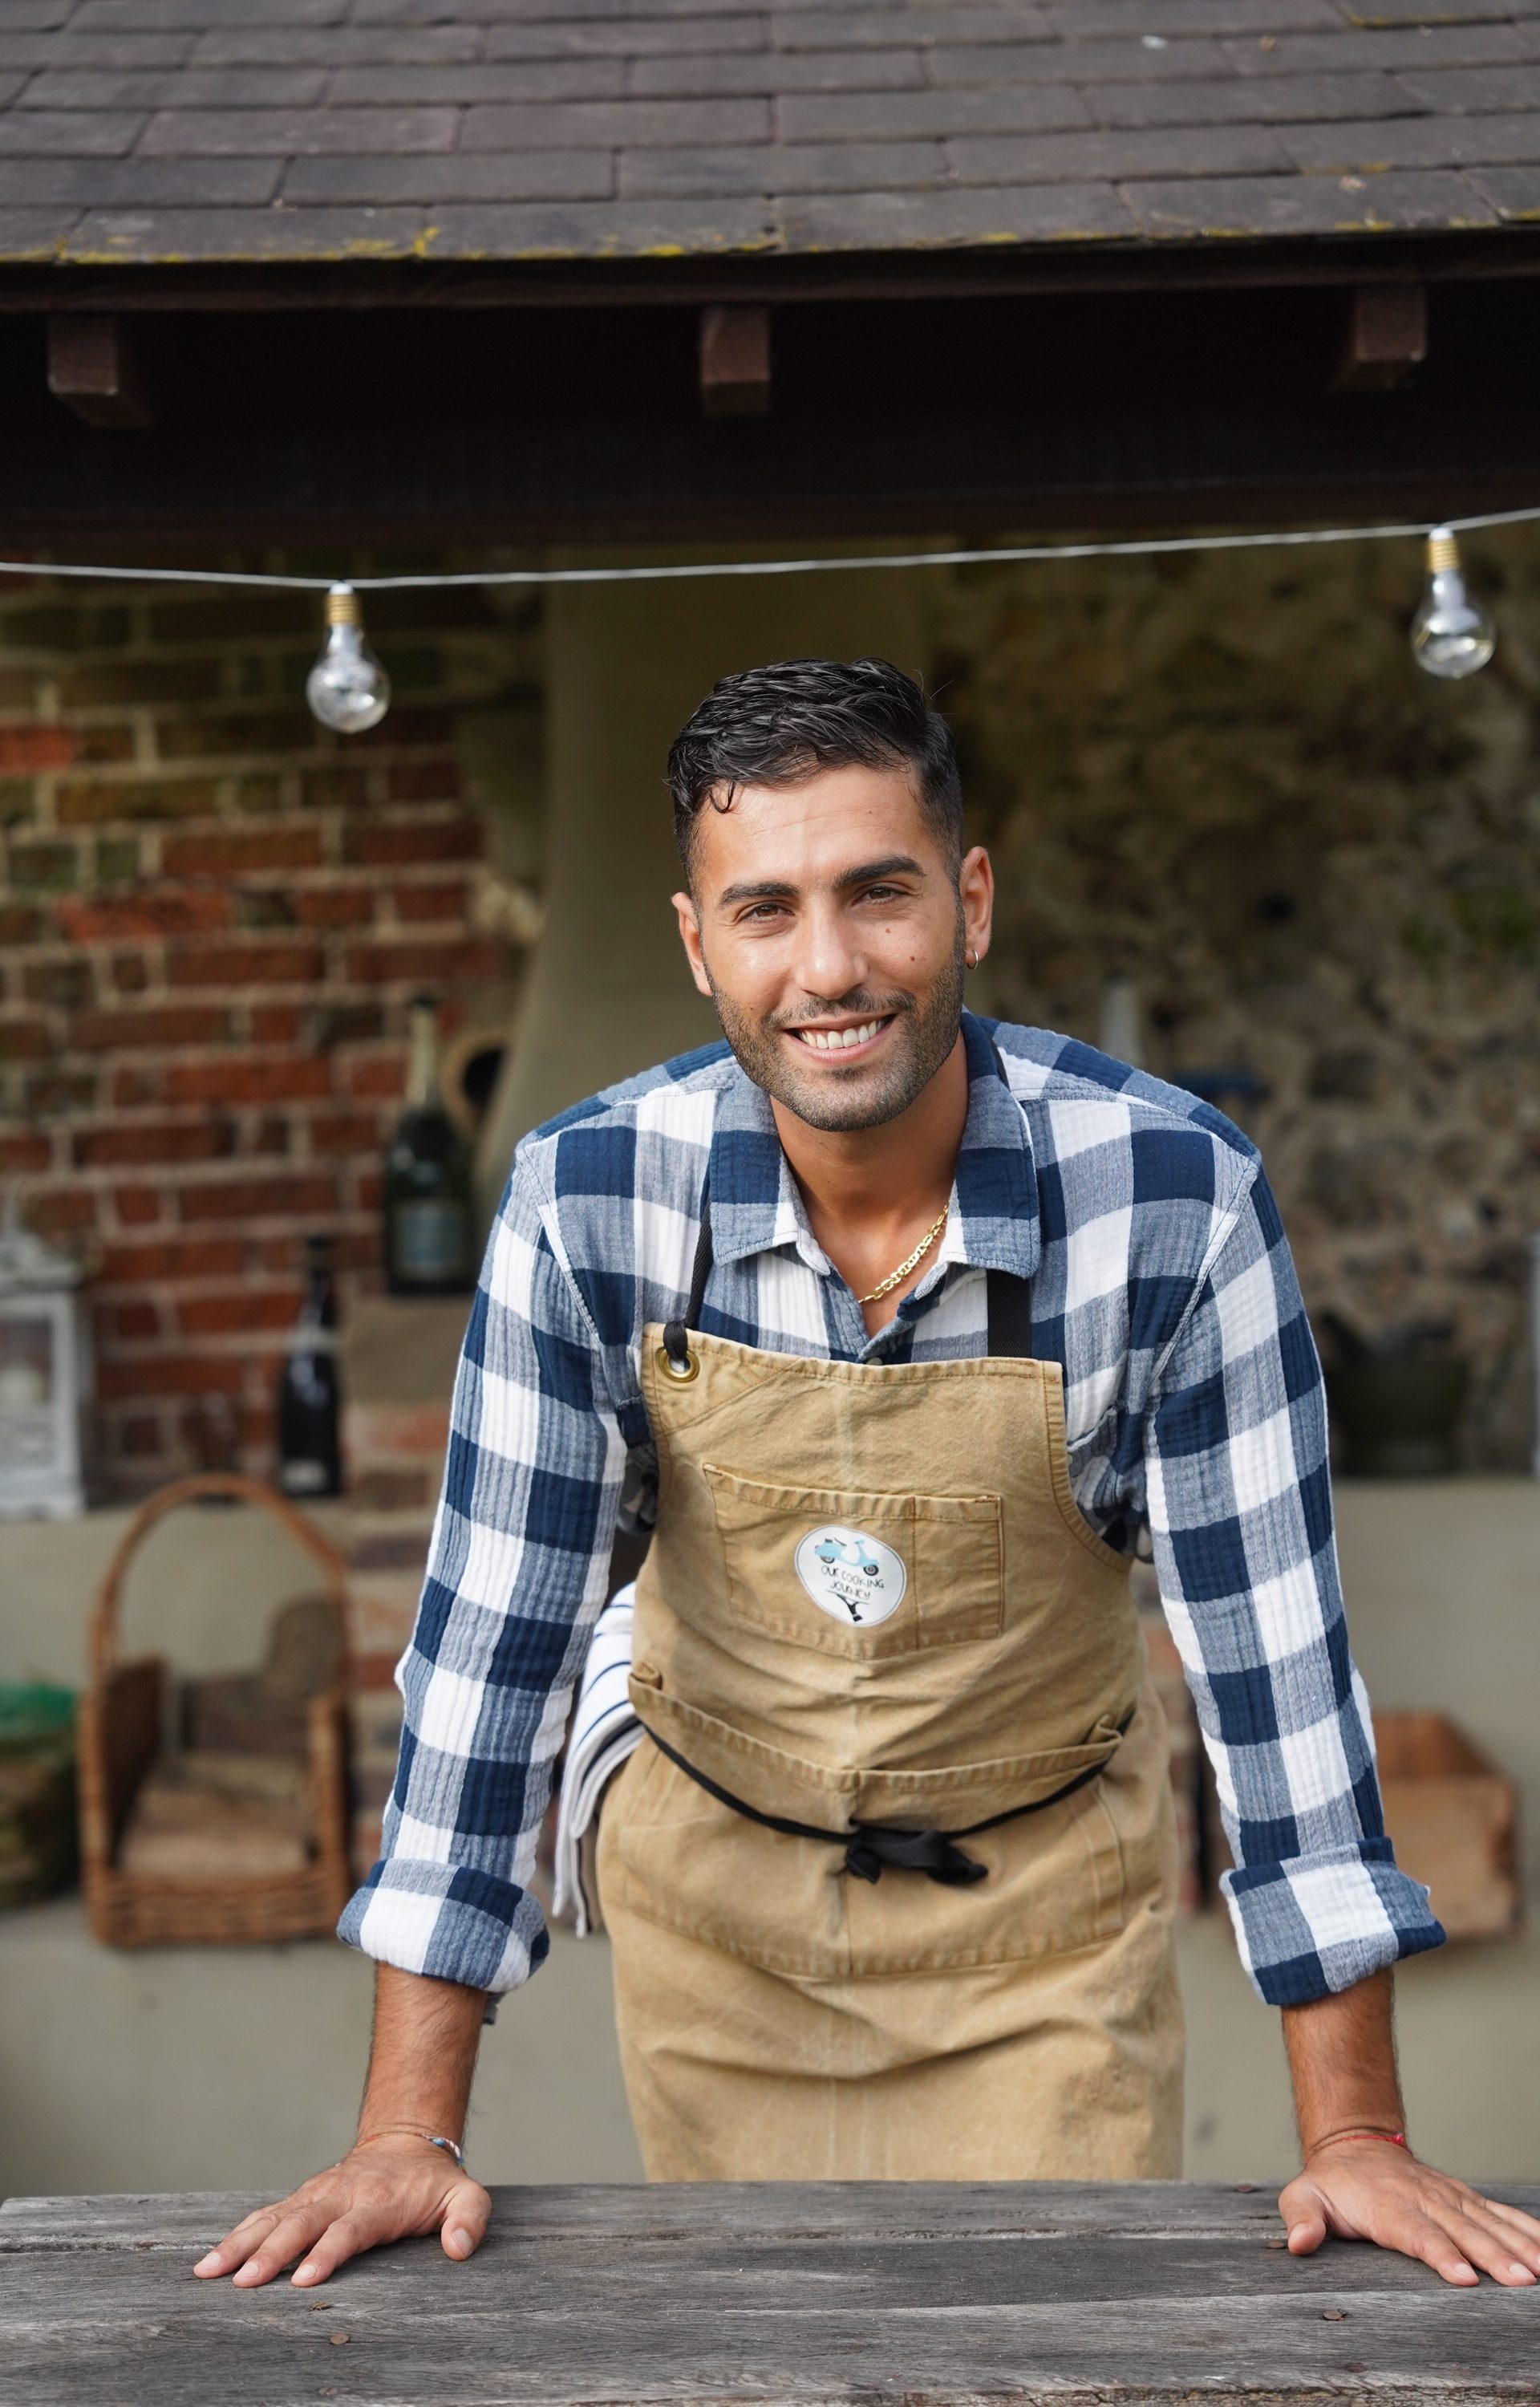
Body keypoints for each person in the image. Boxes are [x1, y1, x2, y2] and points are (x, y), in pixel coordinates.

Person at [197, 659, 1540, 2293]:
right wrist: (409, 2130)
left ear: (968, 901)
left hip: (1044, 1933)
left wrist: (1359, 2141)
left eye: (877, 892)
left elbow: (1278, 1678)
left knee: (1053, 2368)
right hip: (716, 1922)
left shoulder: (1171, 1199)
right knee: (759, 2356)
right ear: (699, 947)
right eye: (763, 909)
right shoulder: (587, 1203)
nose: (826, 967)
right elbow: (496, 1662)